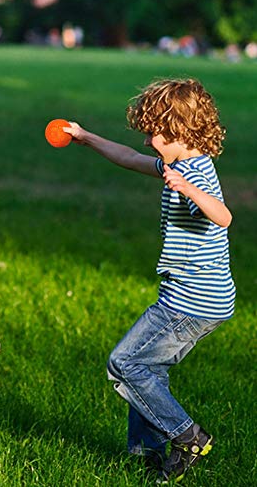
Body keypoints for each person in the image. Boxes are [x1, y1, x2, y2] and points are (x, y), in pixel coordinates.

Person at [63, 78, 235, 483]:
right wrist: (86, 137)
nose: (147, 142)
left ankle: (188, 436)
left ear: (184, 132)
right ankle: (146, 453)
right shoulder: (176, 163)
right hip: (193, 296)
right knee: (149, 369)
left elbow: (224, 216)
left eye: (156, 133)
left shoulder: (197, 175)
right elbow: (127, 157)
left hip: (193, 302)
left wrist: (190, 190)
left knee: (124, 363)